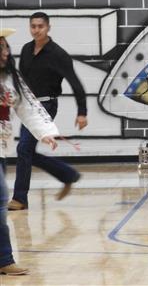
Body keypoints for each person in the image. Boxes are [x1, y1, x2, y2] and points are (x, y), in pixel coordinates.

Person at [9, 12, 85, 211]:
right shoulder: (26, 49)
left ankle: (19, 198)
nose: (36, 30)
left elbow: (75, 83)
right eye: (33, 26)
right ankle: (67, 174)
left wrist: (82, 112)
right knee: (26, 151)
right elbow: (21, 80)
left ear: (48, 27)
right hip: (29, 107)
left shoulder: (58, 54)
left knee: (24, 149)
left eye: (40, 26)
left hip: (47, 106)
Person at [0, 29, 59, 275]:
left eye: (5, 47)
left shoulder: (10, 77)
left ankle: (3, 260)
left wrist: (44, 131)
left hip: (0, 148)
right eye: (0, 47)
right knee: (1, 199)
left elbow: (28, 106)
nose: (5, 52)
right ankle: (4, 259)